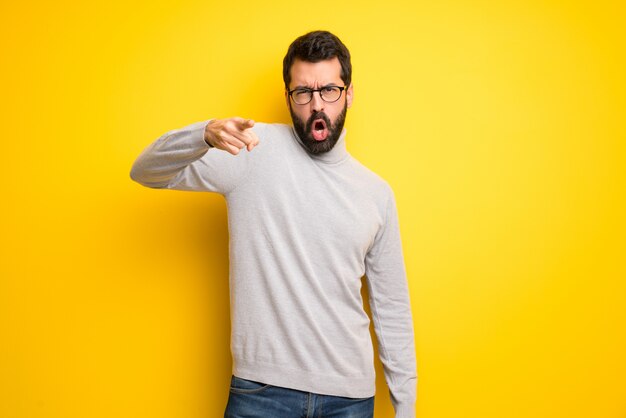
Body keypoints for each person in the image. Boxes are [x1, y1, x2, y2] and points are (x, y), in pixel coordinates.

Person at [130, 30, 417, 418]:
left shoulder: (376, 193)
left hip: (350, 398)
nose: (317, 105)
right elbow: (145, 170)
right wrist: (202, 135)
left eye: (329, 90)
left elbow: (392, 306)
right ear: (288, 98)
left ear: (348, 93)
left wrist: (407, 407)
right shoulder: (251, 149)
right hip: (261, 393)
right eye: (303, 92)